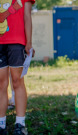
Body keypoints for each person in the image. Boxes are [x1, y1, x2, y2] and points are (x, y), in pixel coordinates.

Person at [0, 0, 35, 134]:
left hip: (17, 42)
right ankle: (1, 124)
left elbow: (27, 16)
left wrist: (29, 42)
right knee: (1, 83)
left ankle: (20, 124)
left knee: (17, 81)